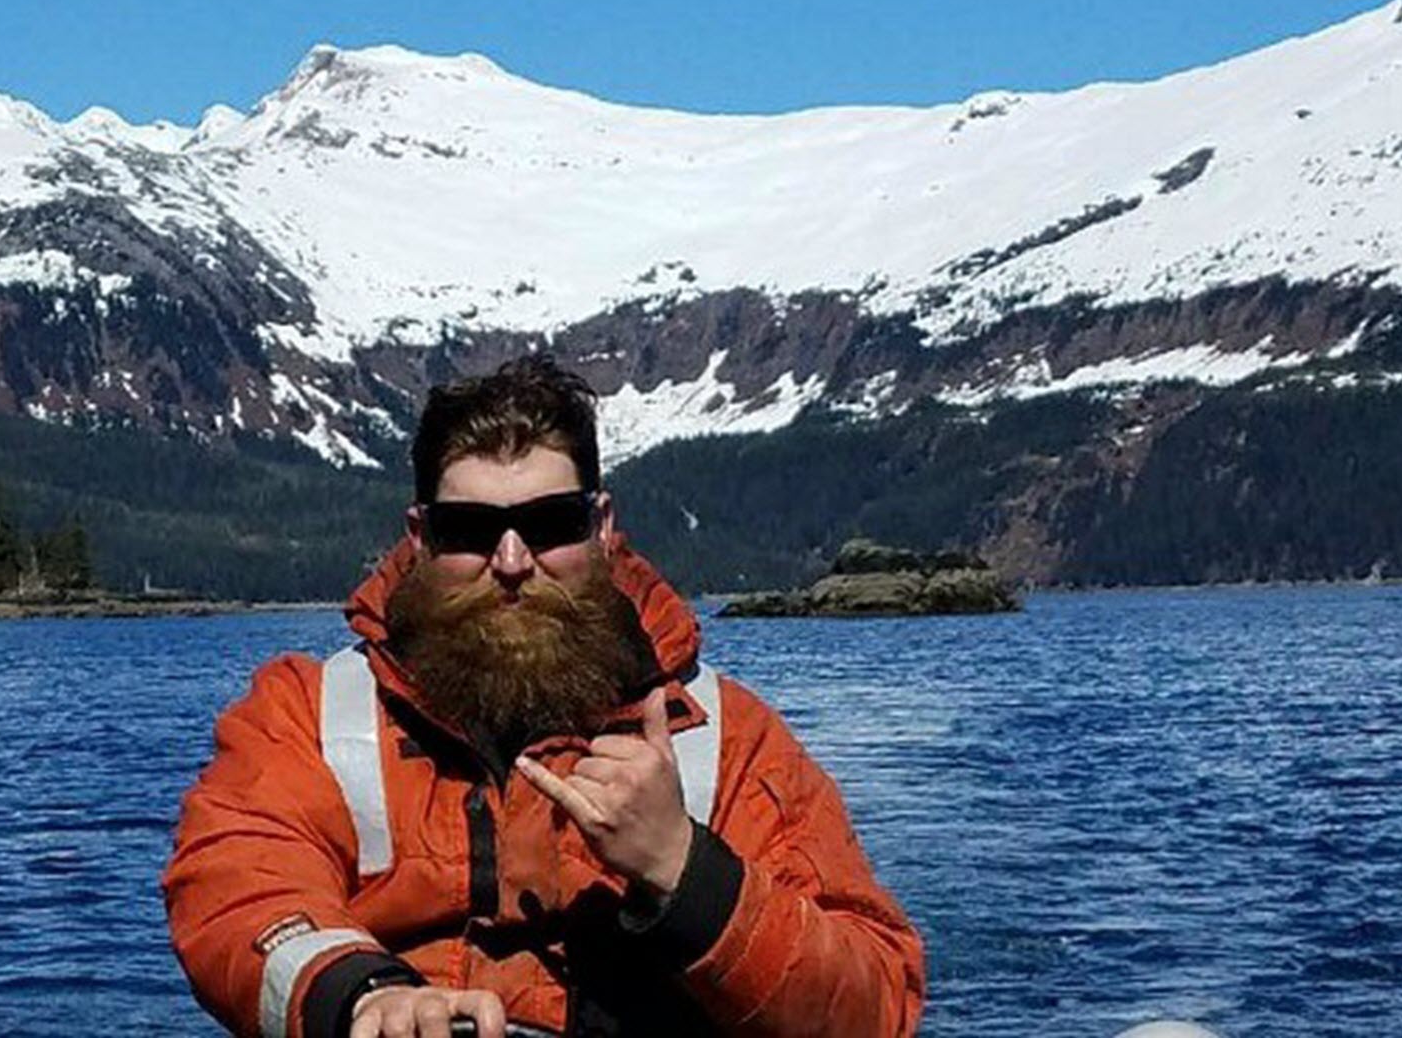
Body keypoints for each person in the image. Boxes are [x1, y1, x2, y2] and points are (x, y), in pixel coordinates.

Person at [162, 356, 924, 1038]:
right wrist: (361, 997)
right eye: (469, 530)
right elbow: (236, 884)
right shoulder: (307, 711)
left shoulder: (729, 737)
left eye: (549, 523)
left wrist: (684, 868)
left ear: (599, 524)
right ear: (421, 535)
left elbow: (873, 1004)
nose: (513, 561)